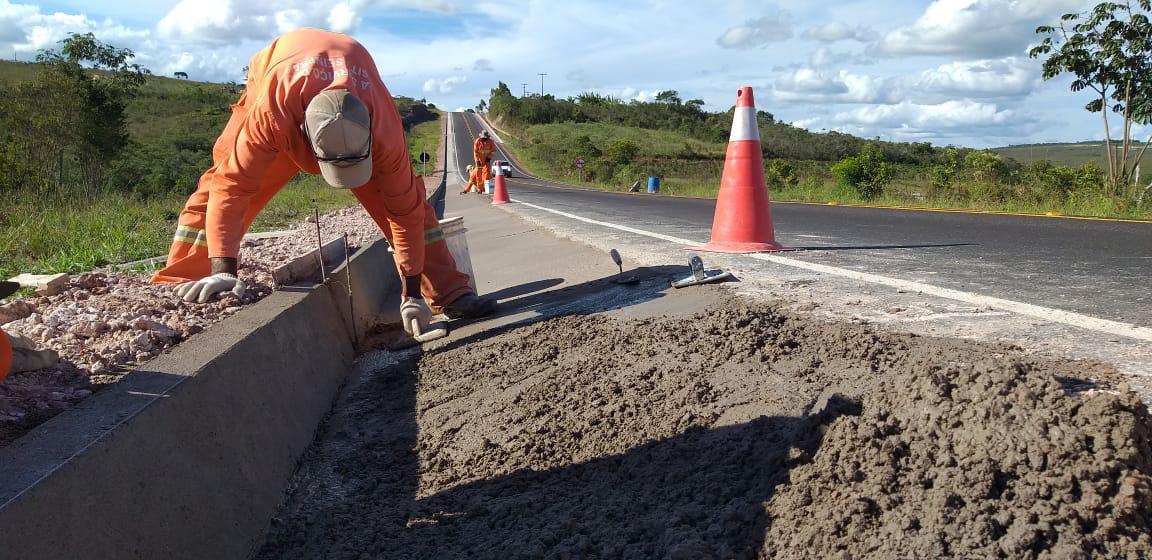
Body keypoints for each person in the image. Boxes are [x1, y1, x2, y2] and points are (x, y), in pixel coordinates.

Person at [150, 28, 495, 334]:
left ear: (370, 143)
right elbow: (233, 186)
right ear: (304, 140)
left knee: (415, 210)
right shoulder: (272, 116)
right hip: (277, 76)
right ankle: (193, 280)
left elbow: (404, 214)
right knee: (217, 185)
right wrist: (225, 267)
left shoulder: (385, 132)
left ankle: (449, 293)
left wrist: (411, 294)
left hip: (342, 87)